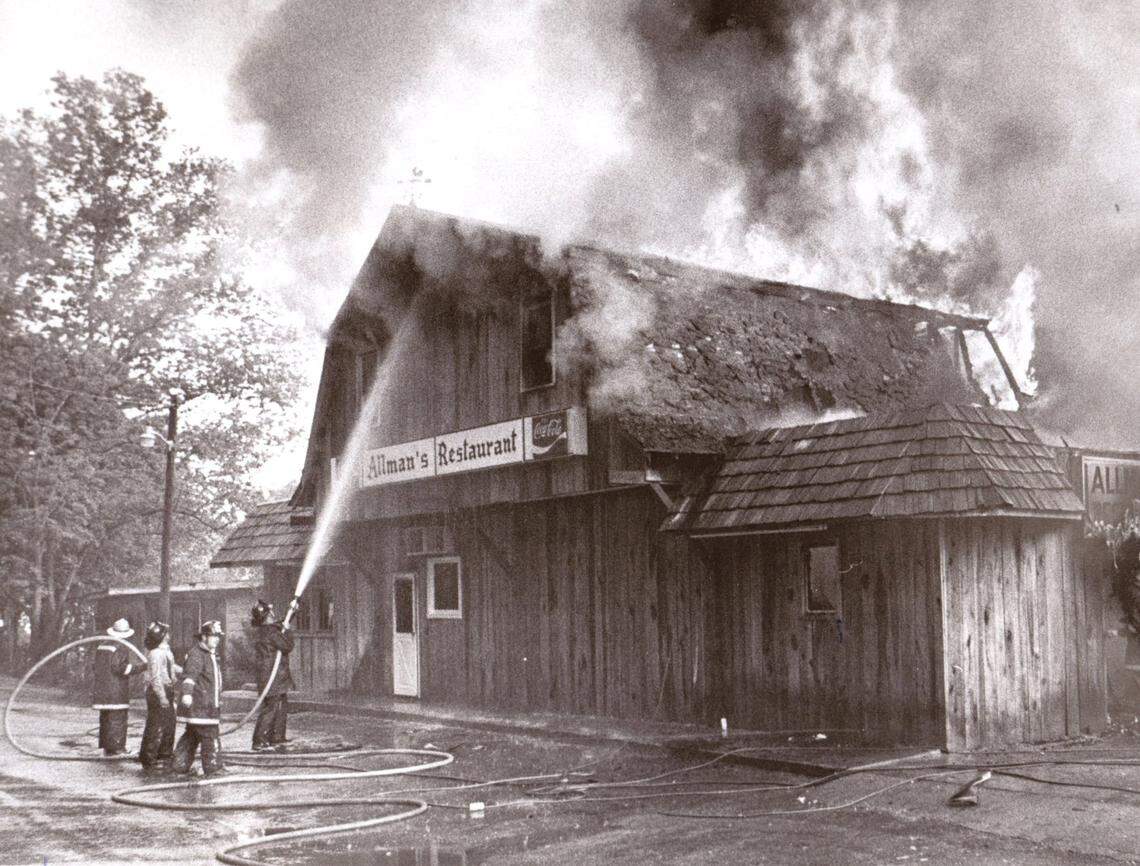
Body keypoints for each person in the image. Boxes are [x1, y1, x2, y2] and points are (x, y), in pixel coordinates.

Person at [172, 620, 227, 777]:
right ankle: (214, 768)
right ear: (203, 637)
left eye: (218, 636)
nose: (217, 639)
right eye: (213, 636)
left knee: (192, 735)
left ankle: (179, 765)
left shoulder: (209, 654)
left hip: (207, 704)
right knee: (210, 735)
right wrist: (187, 694)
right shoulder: (197, 655)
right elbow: (190, 676)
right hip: (200, 705)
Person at [92, 618, 145, 756]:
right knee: (118, 719)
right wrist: (141, 667)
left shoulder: (102, 645)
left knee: (106, 718)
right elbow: (120, 668)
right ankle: (117, 748)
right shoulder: (120, 647)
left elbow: (95, 666)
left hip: (102, 689)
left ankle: (107, 747)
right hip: (116, 691)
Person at [250, 600, 295, 752]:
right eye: (270, 613)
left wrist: (292, 611)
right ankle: (259, 741)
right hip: (272, 677)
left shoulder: (266, 630)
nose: (273, 614)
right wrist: (287, 630)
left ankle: (277, 737)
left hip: (273, 677)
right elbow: (287, 645)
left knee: (280, 705)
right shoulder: (271, 632)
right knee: (272, 707)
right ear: (267, 616)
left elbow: (280, 625)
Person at [139, 621, 181, 774]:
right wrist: (162, 697)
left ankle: (164, 756)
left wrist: (186, 670)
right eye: (166, 633)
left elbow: (171, 666)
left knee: (169, 724)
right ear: (162, 636)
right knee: (156, 726)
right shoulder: (155, 654)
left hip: (167, 689)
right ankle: (149, 759)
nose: (169, 636)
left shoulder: (165, 651)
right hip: (158, 692)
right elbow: (155, 678)